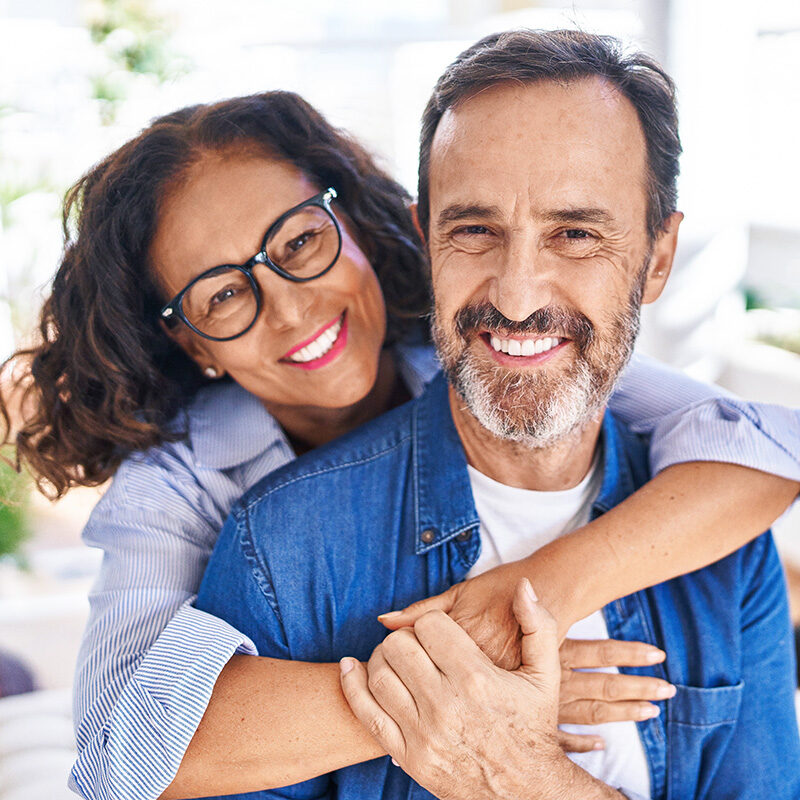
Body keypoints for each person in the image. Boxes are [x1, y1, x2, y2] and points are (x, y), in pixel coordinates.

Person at [0, 90, 796, 800]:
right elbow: (118, 760)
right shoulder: (198, 498)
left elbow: (765, 446)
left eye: (300, 244)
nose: (291, 308)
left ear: (358, 228)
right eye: (225, 294)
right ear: (193, 343)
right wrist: (463, 695)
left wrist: (535, 595)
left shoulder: (495, 347)